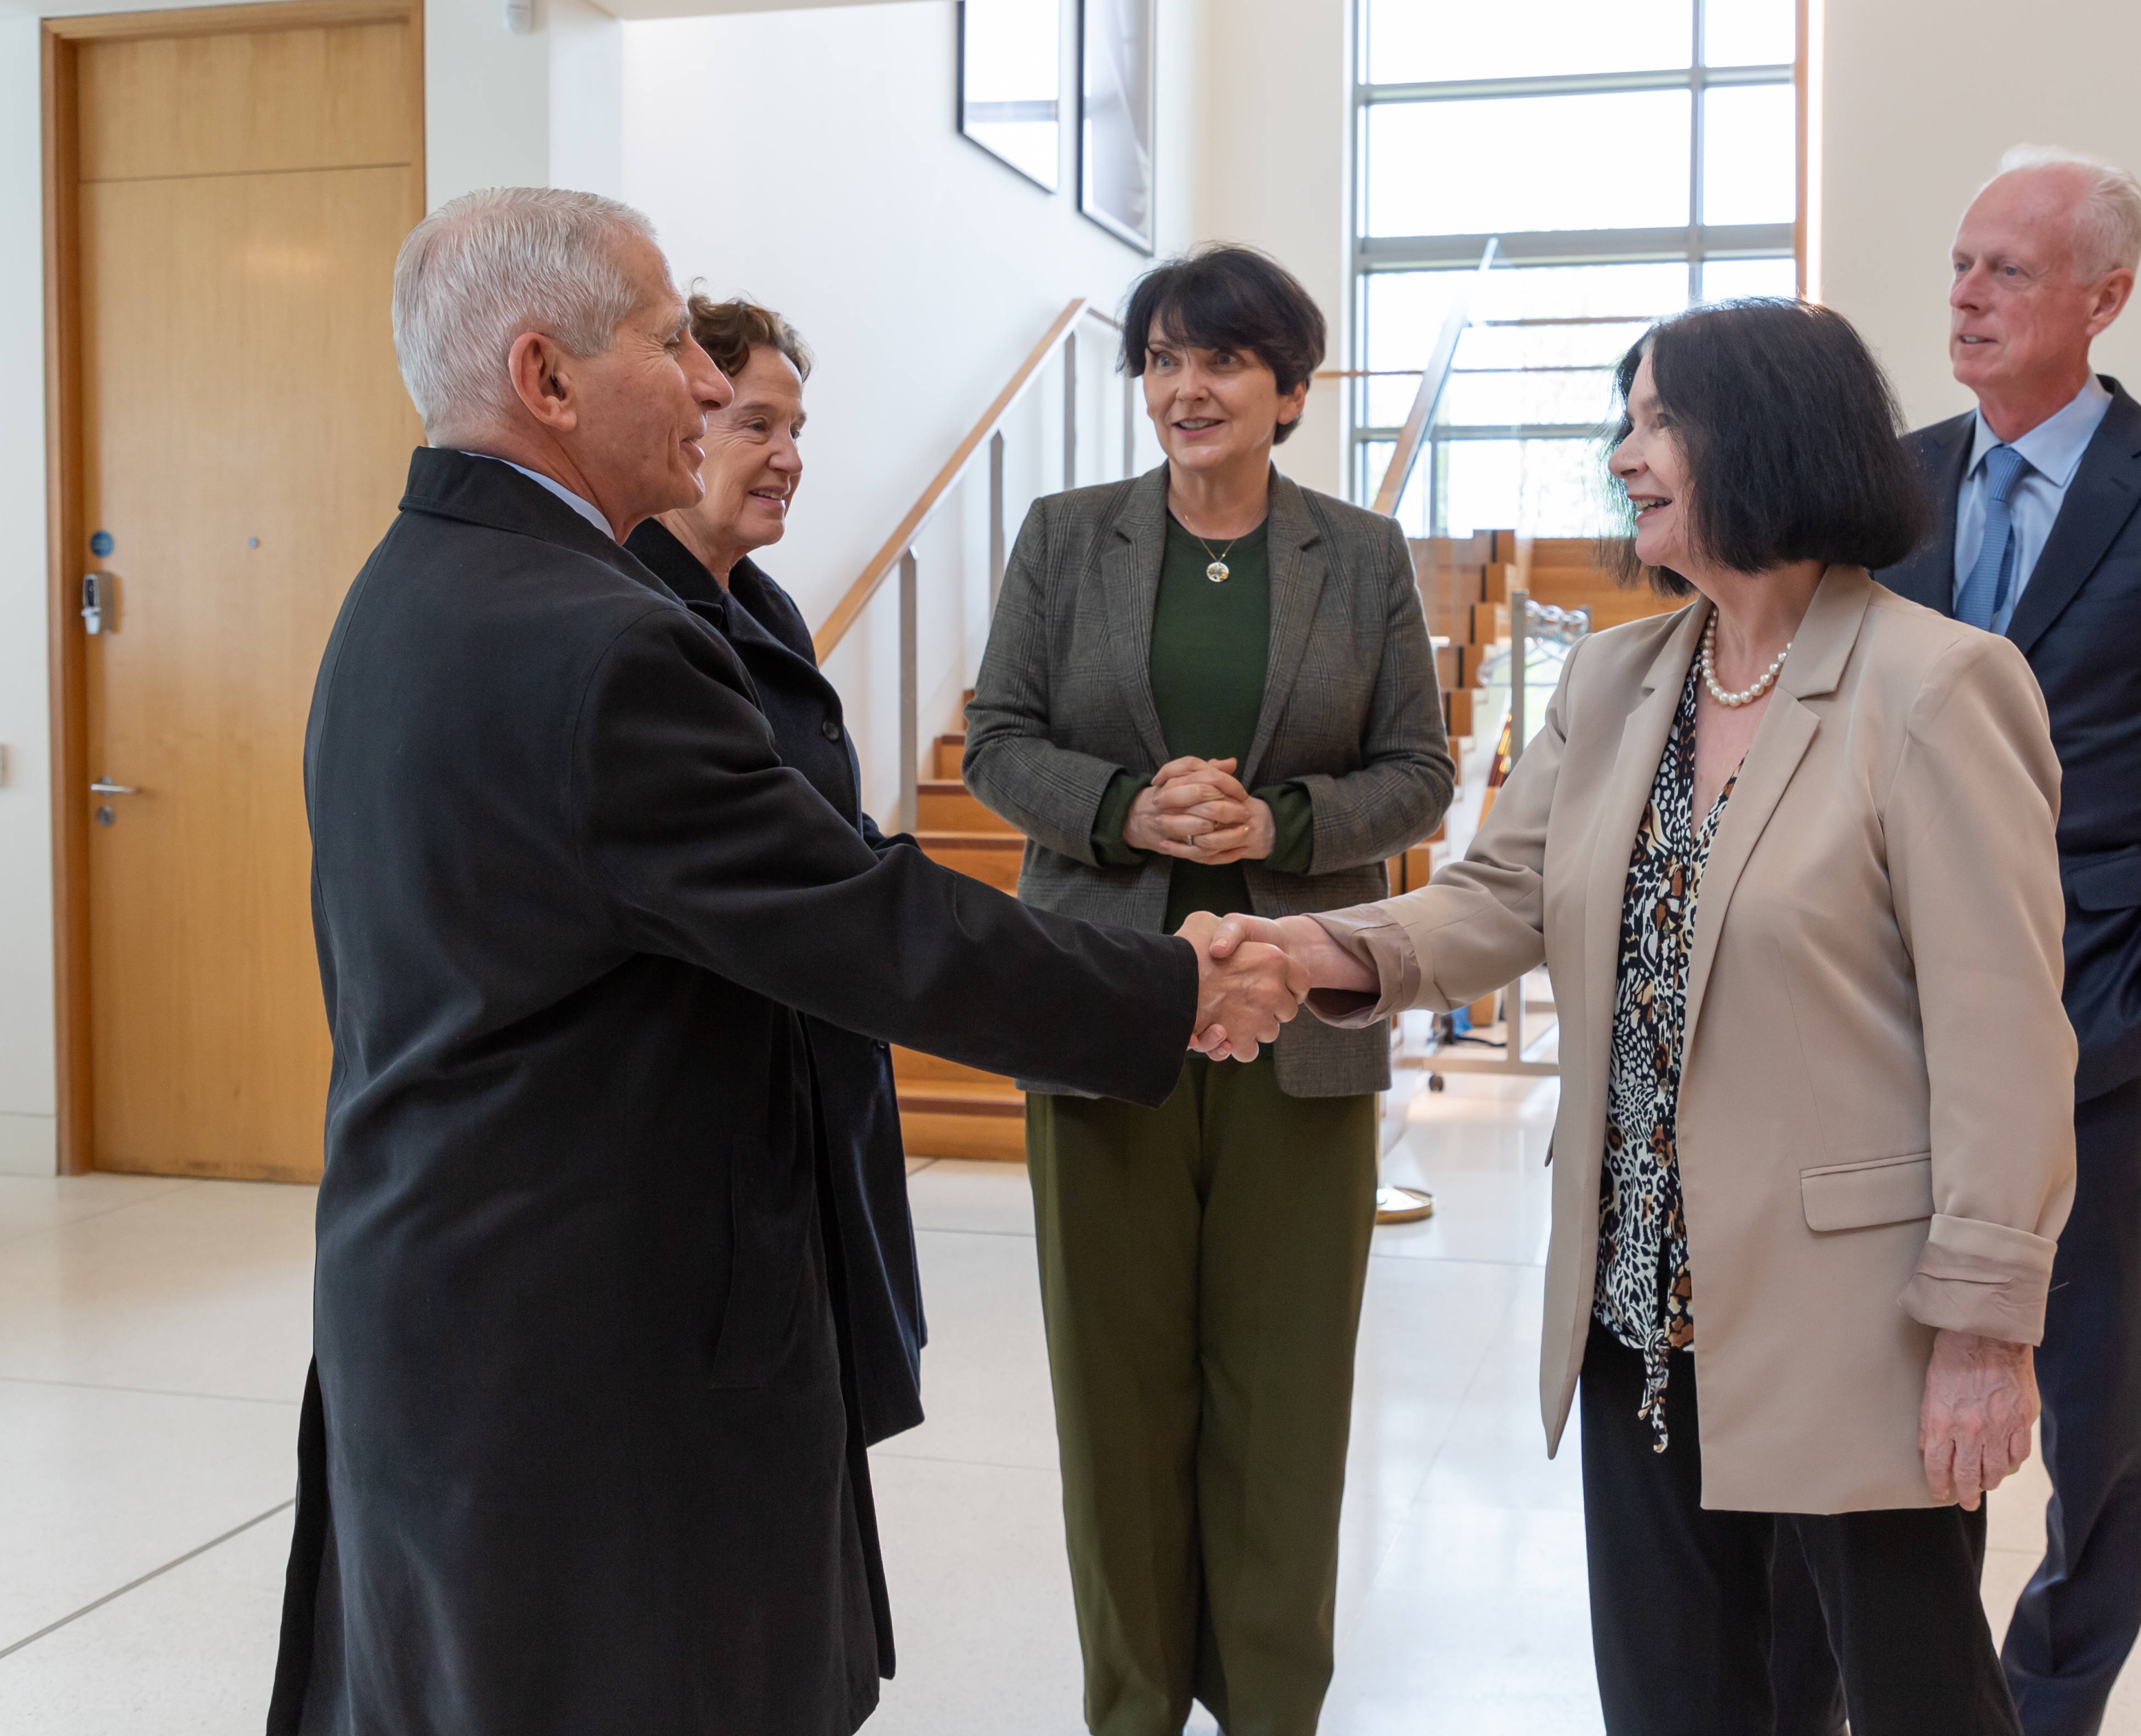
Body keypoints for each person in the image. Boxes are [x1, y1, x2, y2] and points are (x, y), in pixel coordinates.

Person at [269, 187, 1308, 1736]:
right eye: (671, 336)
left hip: (452, 1309)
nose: (705, 379)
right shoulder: (597, 642)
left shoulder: (408, 587)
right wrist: (1179, 983)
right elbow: (868, 922)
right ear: (547, 379)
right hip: (596, 1351)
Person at [1213, 297, 2077, 1736]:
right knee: (1677, 1704)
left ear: (1767, 437)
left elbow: (2002, 1033)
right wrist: (1308, 947)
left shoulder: (1934, 686)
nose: (1623, 455)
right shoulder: (1618, 678)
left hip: (1856, 1320)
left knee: (1916, 1697)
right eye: (1625, 419)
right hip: (1637, 1307)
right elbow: (1495, 901)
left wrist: (1983, 1329)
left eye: (1656, 418)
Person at [1769, 146, 2141, 1736]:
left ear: (2103, 296)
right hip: (1883, 1012)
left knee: (2086, 1406)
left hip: (2094, 1007)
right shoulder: (1888, 485)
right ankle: (1904, 1692)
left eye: (2006, 271)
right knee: (1881, 1381)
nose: (1964, 294)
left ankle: (2048, 1701)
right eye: (1960, 264)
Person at [959, 244, 1454, 1735]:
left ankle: (1269, 1708)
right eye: (1166, 359)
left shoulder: (1358, 555)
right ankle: (1128, 1703)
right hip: (1105, 1014)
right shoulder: (1064, 537)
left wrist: (1281, 827)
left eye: (1225, 361)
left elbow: (1417, 771)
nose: (1188, 387)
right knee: (1114, 1394)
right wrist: (1124, 808)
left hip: (1296, 1025)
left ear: (1288, 390)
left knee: (1283, 1396)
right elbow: (995, 741)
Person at [616, 297, 931, 1447]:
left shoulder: (761, 605)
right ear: (686, 410)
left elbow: (835, 845)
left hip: (817, 1080)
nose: (788, 459)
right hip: (712, 1132)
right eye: (755, 423)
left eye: (797, 429)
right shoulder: (629, 622)